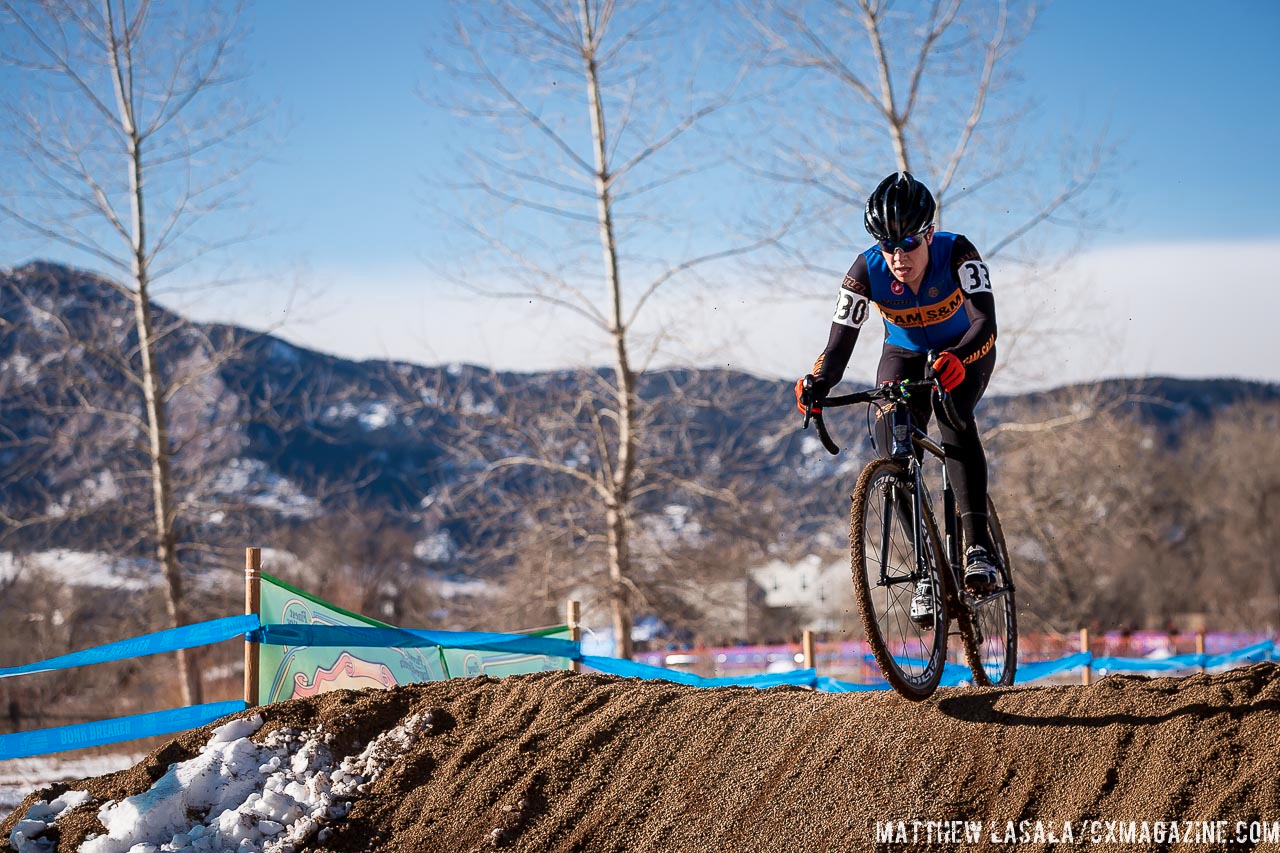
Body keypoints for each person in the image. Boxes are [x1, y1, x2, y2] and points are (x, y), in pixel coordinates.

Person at [795, 171, 998, 626]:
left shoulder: (959, 253)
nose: (899, 256)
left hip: (965, 347)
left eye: (908, 242)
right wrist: (817, 383)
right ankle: (925, 569)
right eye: (888, 245)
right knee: (893, 437)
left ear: (928, 233)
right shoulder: (865, 270)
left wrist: (960, 357)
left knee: (953, 413)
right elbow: (839, 344)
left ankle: (977, 546)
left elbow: (986, 323)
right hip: (903, 354)